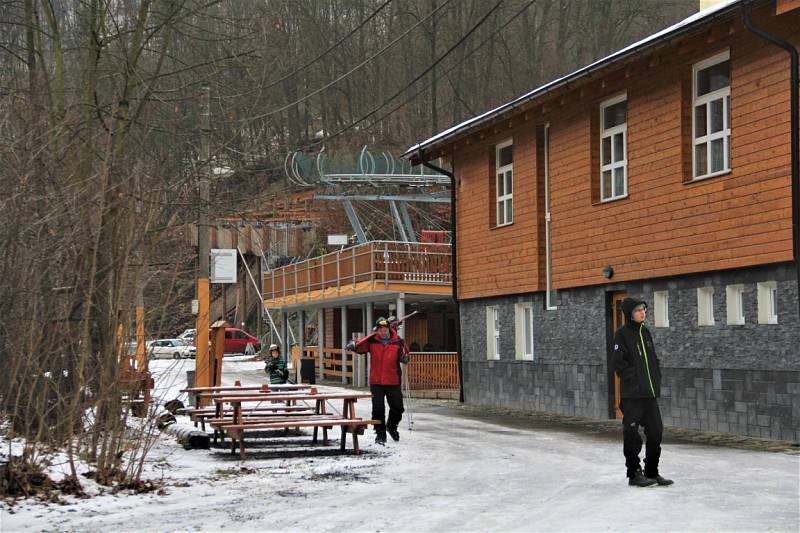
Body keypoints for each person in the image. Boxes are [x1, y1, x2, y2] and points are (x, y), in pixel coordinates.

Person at [613, 298, 673, 487]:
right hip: (633, 395)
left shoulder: (645, 332)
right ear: (630, 313)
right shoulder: (622, 334)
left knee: (656, 431)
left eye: (644, 309)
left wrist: (656, 378)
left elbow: (653, 361)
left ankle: (652, 471)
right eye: (639, 310)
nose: (643, 313)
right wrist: (636, 380)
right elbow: (618, 364)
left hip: (649, 394)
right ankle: (634, 473)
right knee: (632, 434)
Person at [347, 317, 409, 445]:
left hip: (393, 380)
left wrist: (405, 357)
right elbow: (360, 347)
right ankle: (380, 434)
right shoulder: (372, 341)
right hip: (376, 381)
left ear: (389, 329)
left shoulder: (398, 342)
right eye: (381, 330)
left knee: (398, 408)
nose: (383, 332)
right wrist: (353, 345)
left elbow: (404, 354)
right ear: (377, 330)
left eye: (385, 329)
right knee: (378, 409)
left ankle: (391, 426)